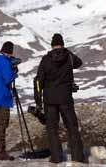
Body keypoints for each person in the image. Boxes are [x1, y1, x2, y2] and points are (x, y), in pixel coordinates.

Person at [34, 33, 84, 163]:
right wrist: (67, 51)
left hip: (49, 100)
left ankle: (56, 158)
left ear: (51, 45)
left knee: (52, 129)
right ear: (63, 44)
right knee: (72, 127)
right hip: (65, 98)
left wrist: (38, 100)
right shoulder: (69, 57)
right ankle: (78, 158)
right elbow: (79, 62)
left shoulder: (46, 60)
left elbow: (39, 80)